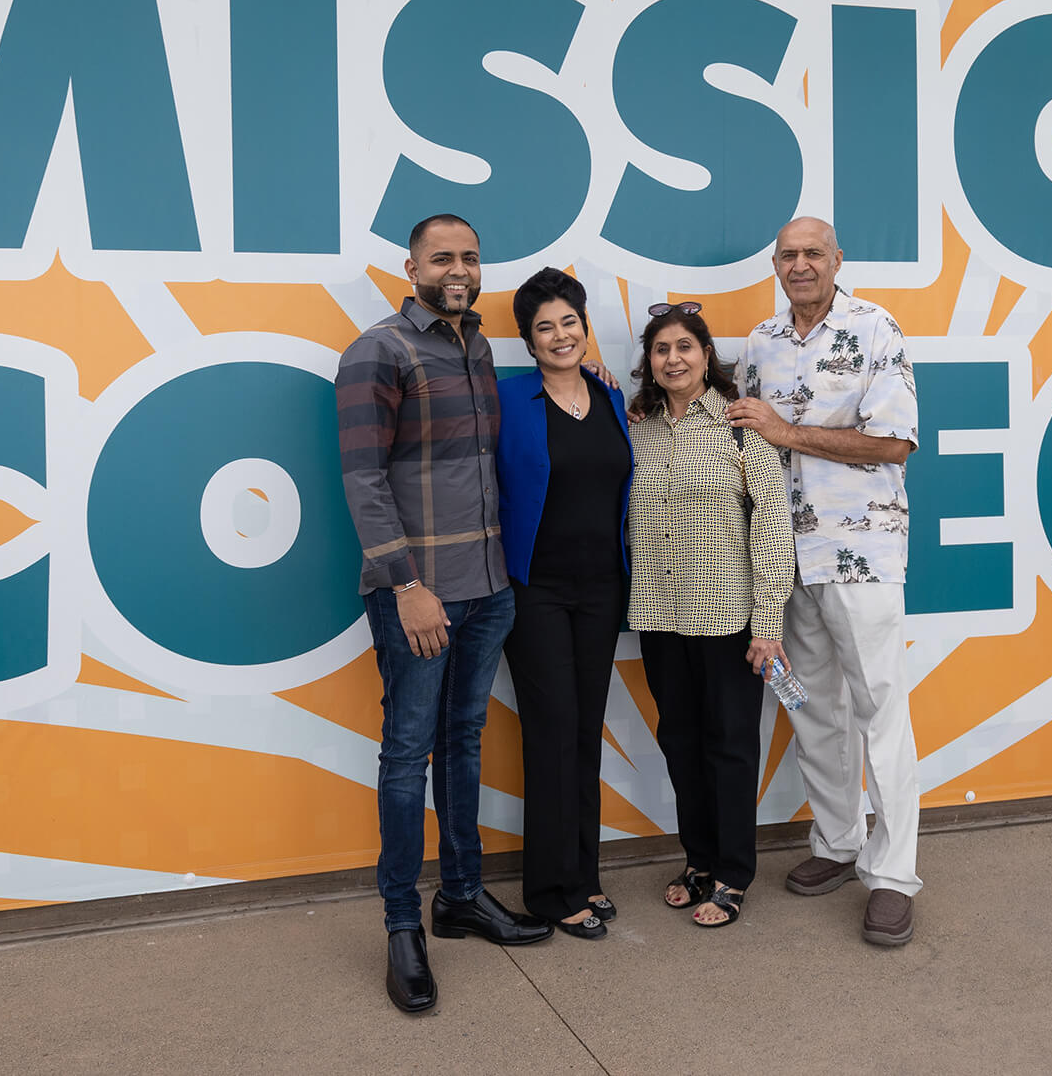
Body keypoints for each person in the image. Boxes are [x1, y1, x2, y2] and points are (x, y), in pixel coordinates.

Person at [335, 214, 552, 1016]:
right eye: (442, 258)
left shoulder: (478, 346)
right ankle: (402, 926)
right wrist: (406, 585)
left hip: (489, 587)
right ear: (412, 267)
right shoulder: (379, 350)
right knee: (406, 752)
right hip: (420, 594)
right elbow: (363, 479)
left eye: (470, 257)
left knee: (462, 740)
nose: (458, 269)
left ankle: (460, 895)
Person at [727, 216, 923, 947]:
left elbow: (894, 444)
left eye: (814, 252)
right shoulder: (761, 342)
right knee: (809, 706)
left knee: (879, 710)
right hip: (784, 559)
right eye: (789, 255)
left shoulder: (875, 327)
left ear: (838, 259)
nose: (801, 264)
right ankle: (839, 843)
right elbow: (741, 438)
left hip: (859, 553)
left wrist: (788, 433)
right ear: (775, 265)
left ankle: (894, 875)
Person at [625, 302, 795, 928]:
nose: (673, 359)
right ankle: (697, 859)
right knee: (680, 741)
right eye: (661, 349)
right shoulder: (636, 429)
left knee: (730, 747)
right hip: (658, 613)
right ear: (649, 360)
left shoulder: (742, 426)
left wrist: (768, 624)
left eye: (685, 347)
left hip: (728, 618)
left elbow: (773, 527)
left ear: (705, 356)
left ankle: (733, 873)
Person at [495, 267, 634, 941]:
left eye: (569, 322)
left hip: (603, 588)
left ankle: (584, 873)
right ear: (528, 341)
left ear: (585, 327)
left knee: (584, 730)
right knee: (551, 731)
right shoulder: (506, 398)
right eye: (544, 327)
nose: (559, 335)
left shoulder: (610, 396)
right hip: (537, 591)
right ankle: (552, 890)